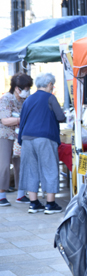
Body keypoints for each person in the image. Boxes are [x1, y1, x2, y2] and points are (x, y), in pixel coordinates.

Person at [18, 72, 66, 214]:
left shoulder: (28, 99)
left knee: (30, 170)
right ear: (50, 84)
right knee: (49, 168)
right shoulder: (50, 98)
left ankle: (34, 203)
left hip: (27, 139)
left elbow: (23, 120)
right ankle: (50, 204)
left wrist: (21, 139)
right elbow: (61, 117)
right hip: (45, 137)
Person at [0, 73, 33, 206]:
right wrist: (21, 120)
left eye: (28, 87)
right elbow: (5, 120)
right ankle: (1, 195)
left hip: (21, 136)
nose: (26, 90)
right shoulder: (6, 99)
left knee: (21, 165)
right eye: (24, 88)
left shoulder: (26, 100)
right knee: (4, 166)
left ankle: (21, 194)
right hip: (6, 136)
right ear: (16, 87)